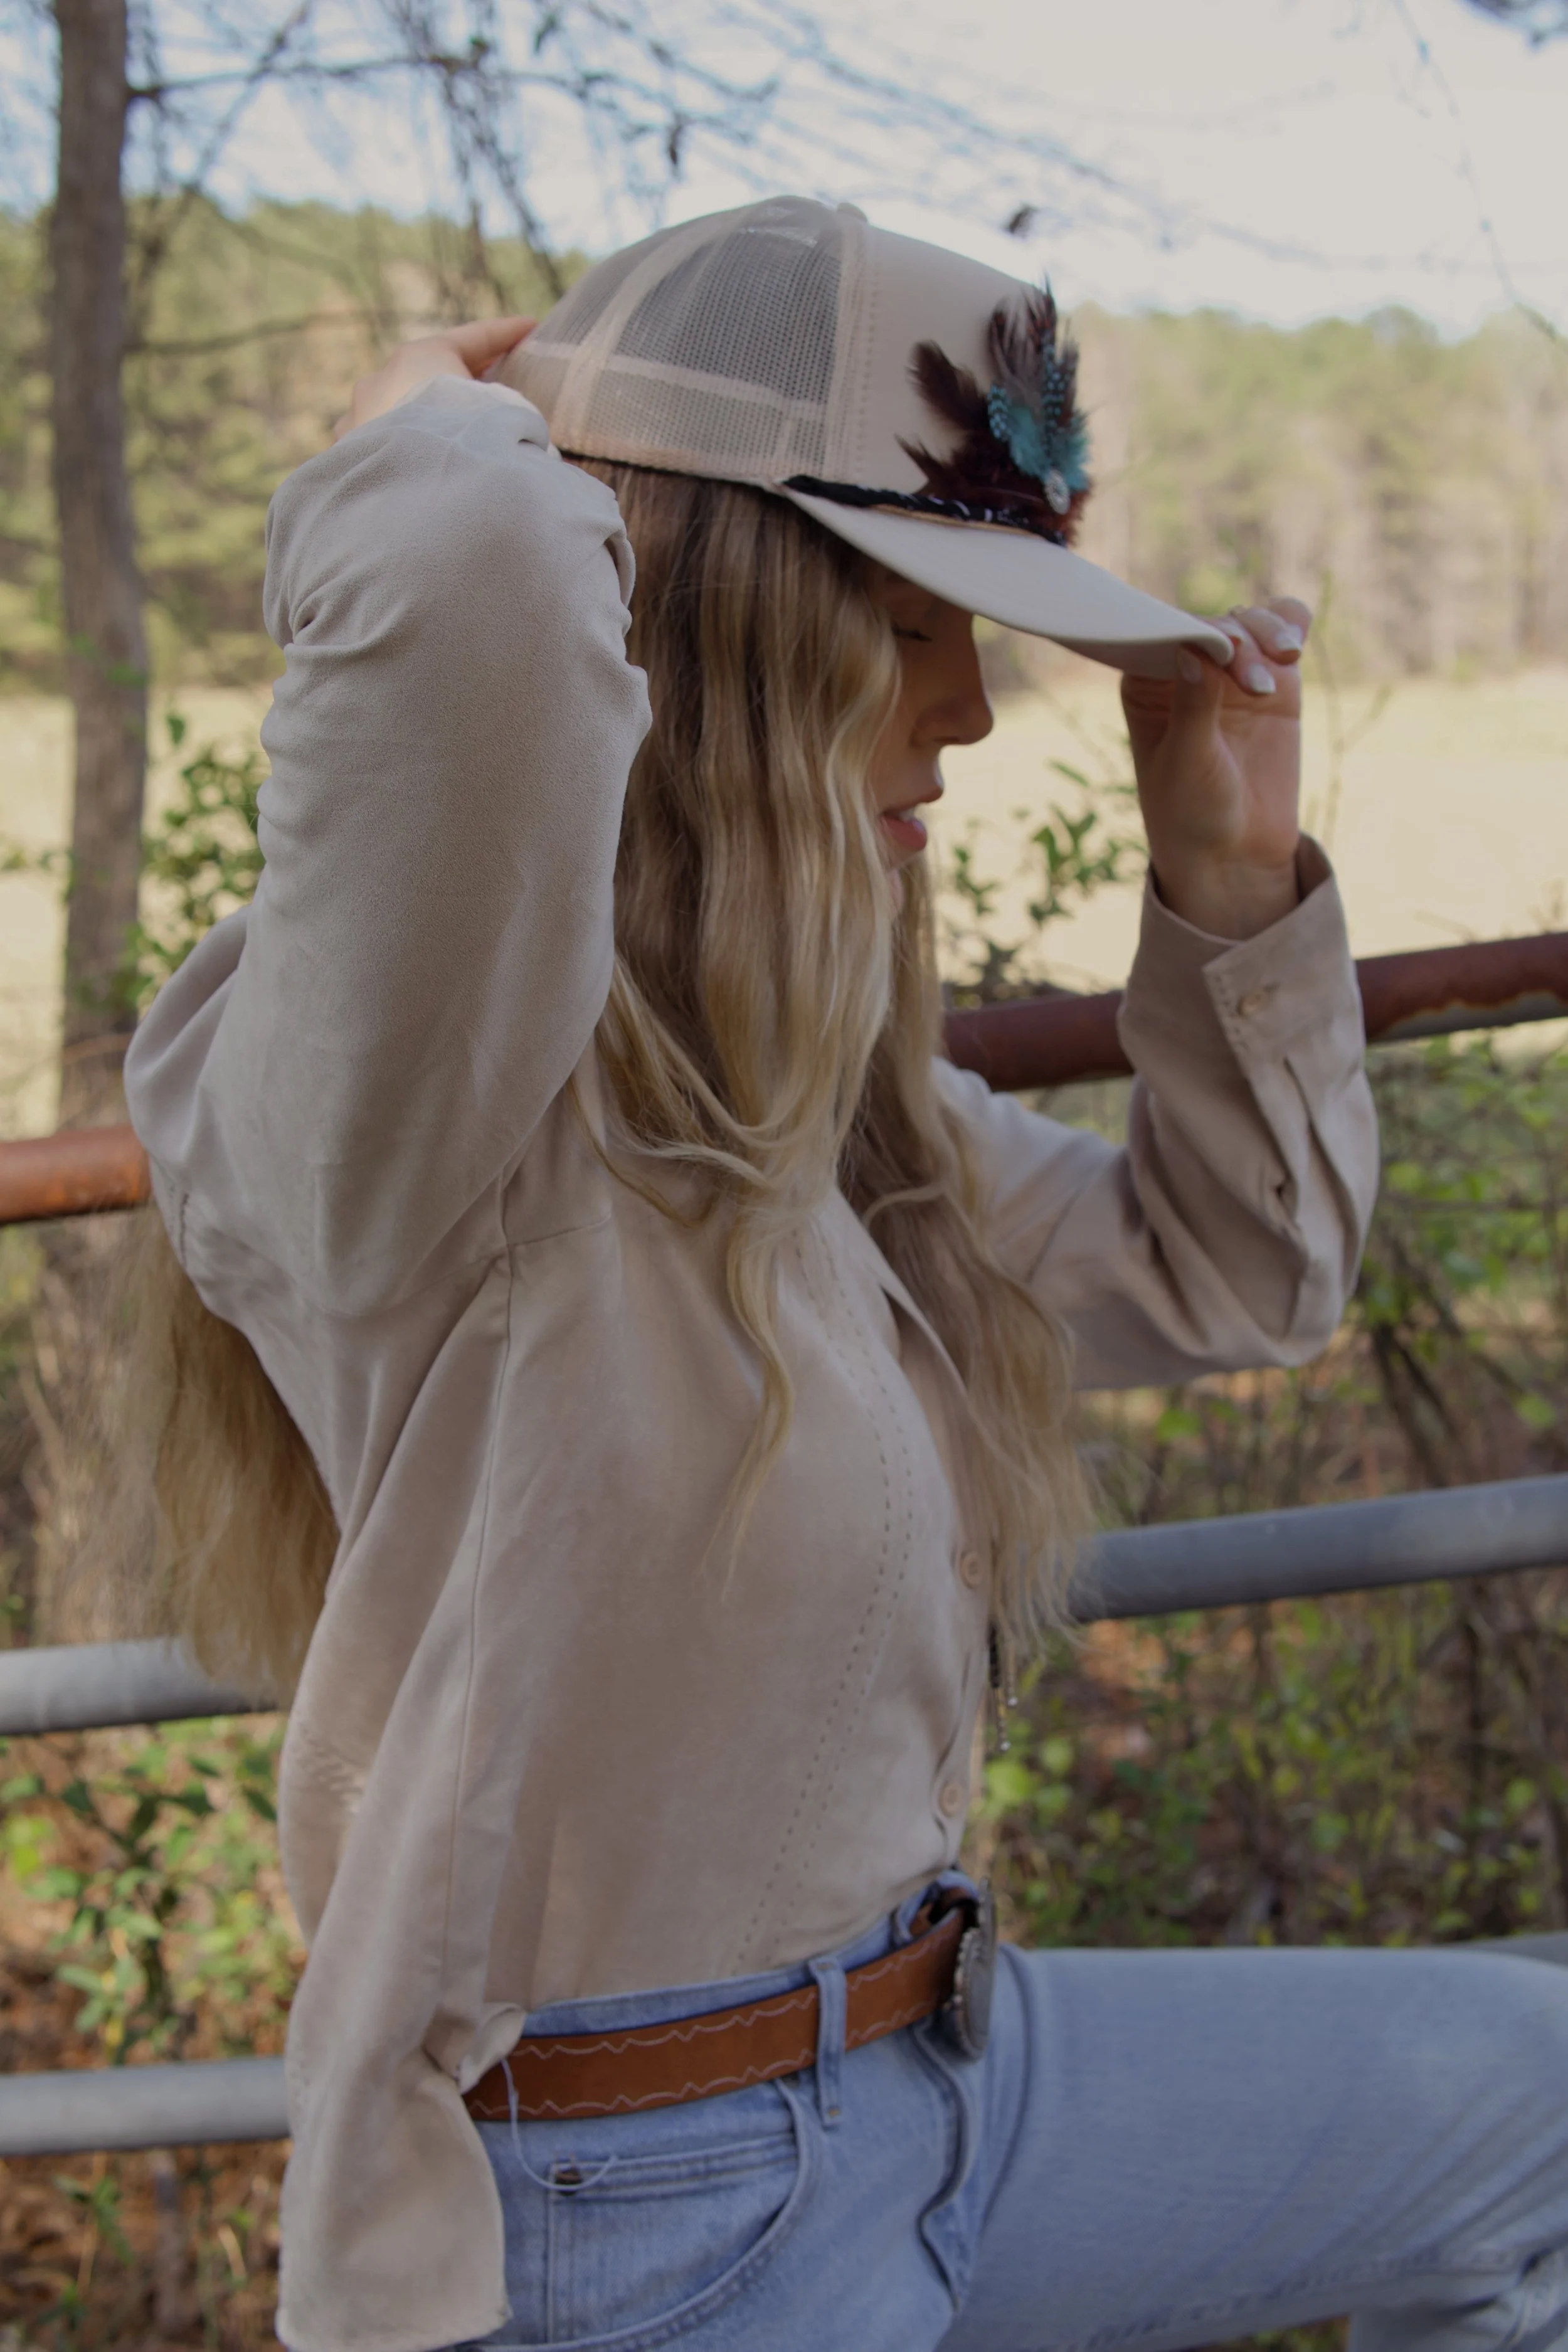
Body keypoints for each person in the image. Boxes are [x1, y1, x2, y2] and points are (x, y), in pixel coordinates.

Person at [120, 196, 1568, 2352]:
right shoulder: (408, 1084)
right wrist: (417, 422)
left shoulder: (808, 1103)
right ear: (722, 626)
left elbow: (1231, 1275)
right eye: (912, 624)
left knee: (1536, 2103)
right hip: (636, 2215)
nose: (975, 716)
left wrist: (1231, 870)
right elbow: (477, 593)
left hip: (945, 2082)